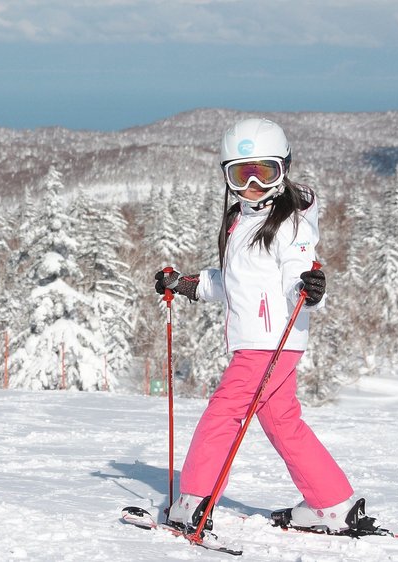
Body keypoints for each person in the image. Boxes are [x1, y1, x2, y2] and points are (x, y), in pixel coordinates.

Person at [153, 117, 375, 535]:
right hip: (268, 342)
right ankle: (331, 505)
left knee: (223, 413)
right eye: (242, 174)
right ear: (227, 176)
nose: (253, 184)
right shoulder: (240, 221)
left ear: (283, 170)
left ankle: (193, 501)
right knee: (282, 421)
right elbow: (235, 282)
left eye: (264, 172)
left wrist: (309, 288)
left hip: (267, 342)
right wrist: (187, 285)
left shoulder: (289, 223)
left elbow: (297, 274)